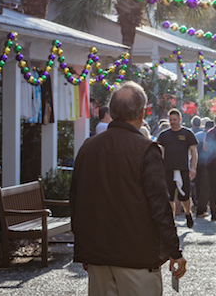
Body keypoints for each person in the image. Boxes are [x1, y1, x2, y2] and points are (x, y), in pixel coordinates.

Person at [70, 81, 186, 294]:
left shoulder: (88, 147)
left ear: (112, 112)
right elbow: (160, 206)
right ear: (143, 112)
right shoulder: (146, 150)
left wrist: (84, 248)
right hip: (137, 256)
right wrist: (174, 251)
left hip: (99, 254)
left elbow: (77, 202)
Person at [157, 109, 198, 228]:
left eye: (174, 120)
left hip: (183, 169)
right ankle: (171, 220)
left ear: (180, 119)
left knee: (184, 196)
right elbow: (160, 153)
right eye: (170, 120)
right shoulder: (164, 135)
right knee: (169, 197)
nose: (172, 122)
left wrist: (193, 168)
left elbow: (194, 152)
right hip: (167, 169)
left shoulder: (187, 133)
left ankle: (188, 213)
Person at [194, 118, 213, 217]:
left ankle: (197, 206)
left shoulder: (197, 135)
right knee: (206, 187)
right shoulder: (210, 136)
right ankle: (202, 209)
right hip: (207, 164)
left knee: (198, 185)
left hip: (197, 163)